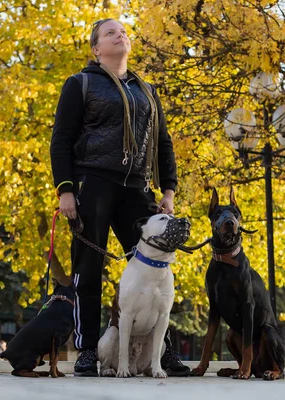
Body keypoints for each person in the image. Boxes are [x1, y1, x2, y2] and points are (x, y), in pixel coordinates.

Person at [50, 18, 190, 377]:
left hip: (136, 187)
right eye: (110, 32)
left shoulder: (147, 90)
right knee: (88, 267)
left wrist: (169, 189)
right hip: (93, 181)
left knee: (155, 265)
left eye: (123, 31)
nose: (120, 34)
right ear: (96, 49)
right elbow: (61, 139)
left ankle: (162, 352)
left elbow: (162, 143)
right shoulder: (80, 84)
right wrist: (66, 189)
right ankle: (86, 350)